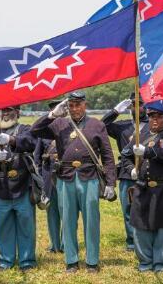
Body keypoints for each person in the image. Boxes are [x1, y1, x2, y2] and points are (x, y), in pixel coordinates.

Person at [31, 91, 116, 273]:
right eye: (71, 105)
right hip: (66, 176)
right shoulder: (59, 123)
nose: (75, 109)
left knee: (91, 221)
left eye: (78, 104)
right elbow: (35, 130)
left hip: (89, 176)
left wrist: (110, 183)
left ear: (85, 104)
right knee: (68, 221)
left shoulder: (97, 124)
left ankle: (92, 261)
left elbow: (108, 155)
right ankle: (71, 261)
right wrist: (52, 115)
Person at [122, 100, 163, 272]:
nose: (155, 120)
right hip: (143, 188)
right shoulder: (138, 137)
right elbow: (125, 156)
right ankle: (145, 262)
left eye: (159, 117)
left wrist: (148, 152)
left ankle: (161, 262)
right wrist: (131, 169)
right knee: (141, 226)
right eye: (152, 116)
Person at [0, 105, 38, 271]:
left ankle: (27, 261)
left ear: (17, 112)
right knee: (3, 228)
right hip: (1, 187)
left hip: (23, 186)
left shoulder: (25, 129)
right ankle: (5, 261)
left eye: (9, 110)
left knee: (26, 227)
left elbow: (31, 142)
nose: (6, 114)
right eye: (3, 111)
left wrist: (11, 140)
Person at [101, 93, 146, 251]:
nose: (138, 107)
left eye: (141, 104)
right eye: (134, 104)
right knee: (128, 208)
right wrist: (115, 111)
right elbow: (101, 126)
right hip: (127, 172)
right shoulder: (122, 126)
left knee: (146, 208)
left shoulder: (151, 126)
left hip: (147, 172)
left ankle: (145, 239)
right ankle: (132, 241)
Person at [33, 100, 63, 253]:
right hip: (48, 176)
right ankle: (54, 244)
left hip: (65, 175)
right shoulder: (44, 134)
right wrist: (40, 176)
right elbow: (36, 158)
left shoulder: (67, 129)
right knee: (52, 212)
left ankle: (65, 243)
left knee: (67, 210)